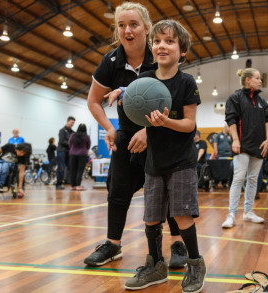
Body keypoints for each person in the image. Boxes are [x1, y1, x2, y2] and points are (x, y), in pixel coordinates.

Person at [85, 2, 187, 271]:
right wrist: (109, 128)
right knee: (117, 189)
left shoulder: (160, 54)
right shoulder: (111, 61)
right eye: (121, 25)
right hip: (127, 136)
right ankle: (112, 244)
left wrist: (149, 130)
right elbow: (94, 101)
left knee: (168, 190)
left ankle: (178, 242)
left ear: (146, 27)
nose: (127, 30)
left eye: (133, 25)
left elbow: (176, 98)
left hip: (162, 134)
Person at [122, 19, 206, 292]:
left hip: (181, 162)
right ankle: (156, 265)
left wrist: (165, 122)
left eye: (169, 41)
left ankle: (195, 264)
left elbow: (190, 125)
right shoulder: (145, 80)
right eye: (157, 41)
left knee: (182, 216)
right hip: (154, 162)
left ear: (182, 51)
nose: (161, 46)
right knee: (151, 217)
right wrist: (120, 92)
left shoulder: (186, 82)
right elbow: (133, 99)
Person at [221, 67, 268, 229]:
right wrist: (235, 140)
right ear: (248, 80)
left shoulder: (262, 102)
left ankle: (248, 212)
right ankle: (231, 214)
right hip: (242, 145)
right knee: (238, 178)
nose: (260, 80)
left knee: (252, 179)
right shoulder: (235, 98)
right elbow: (231, 120)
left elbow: (267, 122)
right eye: (257, 78)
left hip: (259, 146)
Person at [69, 123, 91, 191]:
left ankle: (73, 186)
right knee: (80, 170)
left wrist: (73, 149)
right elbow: (88, 145)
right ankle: (78, 186)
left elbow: (70, 143)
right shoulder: (86, 136)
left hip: (73, 154)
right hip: (82, 155)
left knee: (73, 170)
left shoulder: (73, 135)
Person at [56, 116, 75, 190]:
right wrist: (70, 144)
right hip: (61, 151)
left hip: (69, 152)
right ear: (67, 122)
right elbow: (61, 141)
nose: (72, 124)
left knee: (70, 168)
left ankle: (69, 182)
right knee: (61, 168)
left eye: (73, 123)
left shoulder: (73, 132)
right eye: (71, 122)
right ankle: (58, 184)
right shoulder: (62, 130)